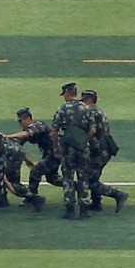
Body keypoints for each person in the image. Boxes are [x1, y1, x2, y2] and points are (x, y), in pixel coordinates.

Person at [52, 82, 96, 220]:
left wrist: (57, 146)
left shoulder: (62, 109)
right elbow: (93, 130)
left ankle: (70, 210)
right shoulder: (86, 108)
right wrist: (84, 141)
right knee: (83, 177)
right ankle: (84, 210)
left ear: (66, 93)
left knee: (68, 178)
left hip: (67, 148)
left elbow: (54, 131)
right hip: (83, 149)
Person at [81, 90, 128, 213]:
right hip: (104, 148)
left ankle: (117, 194)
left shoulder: (91, 113)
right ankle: (96, 202)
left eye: (84, 100)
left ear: (89, 99)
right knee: (94, 175)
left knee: (89, 180)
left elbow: (92, 131)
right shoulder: (100, 112)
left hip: (99, 150)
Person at [5, 107, 60, 201]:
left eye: (21, 121)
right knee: (52, 178)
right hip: (50, 154)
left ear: (27, 119)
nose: (20, 123)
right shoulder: (26, 130)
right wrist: (26, 159)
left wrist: (6, 136)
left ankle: (32, 197)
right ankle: (76, 185)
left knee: (36, 171)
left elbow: (25, 134)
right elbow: (18, 146)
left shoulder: (38, 125)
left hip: (56, 152)